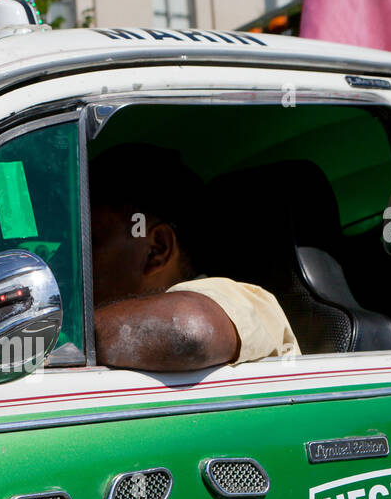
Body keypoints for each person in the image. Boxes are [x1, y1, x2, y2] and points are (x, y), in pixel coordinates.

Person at [89, 143, 299, 371]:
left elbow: (191, 329)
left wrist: (66, 333)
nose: (71, 266)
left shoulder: (238, 299)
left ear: (157, 249)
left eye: (91, 242)